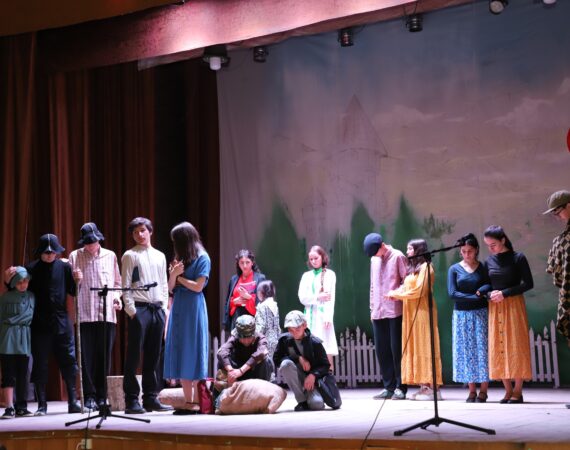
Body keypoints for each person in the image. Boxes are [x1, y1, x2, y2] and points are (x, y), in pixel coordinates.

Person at [4, 234, 81, 415]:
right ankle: (42, 405)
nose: (49, 255)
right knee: (40, 364)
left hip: (61, 320)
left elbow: (72, 291)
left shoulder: (64, 267)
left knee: (68, 360)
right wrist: (8, 281)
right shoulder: (31, 268)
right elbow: (19, 290)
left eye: (52, 252)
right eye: (46, 252)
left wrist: (78, 280)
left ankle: (73, 401)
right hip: (39, 323)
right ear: (40, 252)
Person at [68, 222, 122, 411]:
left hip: (106, 313)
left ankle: (101, 396)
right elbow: (70, 288)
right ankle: (89, 396)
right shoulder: (75, 256)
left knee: (104, 357)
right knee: (86, 358)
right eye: (87, 242)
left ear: (99, 239)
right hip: (84, 313)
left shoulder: (110, 255)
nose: (91, 245)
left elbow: (117, 283)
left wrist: (117, 299)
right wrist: (75, 280)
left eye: (93, 241)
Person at [121, 217, 172, 414]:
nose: (139, 235)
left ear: (150, 231)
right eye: (135, 232)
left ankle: (150, 397)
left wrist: (164, 308)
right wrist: (132, 311)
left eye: (142, 230)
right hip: (140, 309)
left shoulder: (160, 255)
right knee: (134, 356)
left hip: (157, 309)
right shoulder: (130, 255)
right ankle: (131, 400)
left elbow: (164, 283)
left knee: (153, 355)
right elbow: (126, 285)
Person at [386, 239, 443, 401]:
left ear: (419, 250)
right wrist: (395, 293)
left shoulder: (426, 267)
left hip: (423, 312)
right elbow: (407, 287)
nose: (407, 251)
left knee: (425, 345)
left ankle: (433, 389)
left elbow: (419, 291)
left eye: (410, 248)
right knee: (416, 346)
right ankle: (423, 386)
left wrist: (397, 295)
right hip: (410, 312)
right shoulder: (413, 269)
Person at [483, 225, 533, 404]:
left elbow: (528, 284)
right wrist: (490, 294)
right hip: (495, 306)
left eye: (493, 244)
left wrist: (505, 293)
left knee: (516, 345)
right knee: (498, 345)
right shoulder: (489, 261)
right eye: (488, 246)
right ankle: (508, 390)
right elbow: (486, 285)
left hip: (513, 305)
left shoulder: (518, 258)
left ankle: (518, 391)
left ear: (503, 240)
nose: (491, 249)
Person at [165, 221, 211, 415]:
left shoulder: (203, 258)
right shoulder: (180, 258)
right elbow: (170, 288)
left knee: (193, 348)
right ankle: (188, 401)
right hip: (179, 306)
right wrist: (173, 276)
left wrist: (179, 277)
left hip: (193, 307)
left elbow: (198, 287)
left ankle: (197, 401)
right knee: (181, 349)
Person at [363, 233, 408, 400]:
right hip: (378, 311)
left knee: (396, 350)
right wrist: (372, 308)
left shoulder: (398, 256)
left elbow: (407, 281)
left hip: (394, 310)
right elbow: (373, 286)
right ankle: (388, 387)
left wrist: (397, 293)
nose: (376, 256)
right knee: (382, 351)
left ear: (382, 246)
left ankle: (401, 387)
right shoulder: (374, 260)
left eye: (376, 252)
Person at [447, 233, 491, 403]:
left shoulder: (483, 267)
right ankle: (472, 390)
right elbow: (453, 293)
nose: (467, 254)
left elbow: (489, 284)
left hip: (481, 313)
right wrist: (475, 296)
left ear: (476, 250)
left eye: (470, 251)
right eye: (464, 251)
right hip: (461, 315)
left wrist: (482, 291)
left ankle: (484, 390)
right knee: (466, 351)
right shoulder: (454, 269)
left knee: (482, 350)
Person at [273, 310, 330, 411]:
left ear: (304, 325)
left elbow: (325, 365)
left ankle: (310, 394)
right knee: (286, 364)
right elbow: (277, 359)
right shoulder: (284, 340)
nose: (294, 332)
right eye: (290, 329)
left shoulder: (315, 342)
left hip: (311, 378)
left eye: (297, 328)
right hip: (296, 374)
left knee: (317, 405)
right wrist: (297, 358)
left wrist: (313, 375)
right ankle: (302, 401)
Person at [0, 267, 34, 418]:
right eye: (19, 282)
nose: (23, 284)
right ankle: (9, 407)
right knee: (9, 372)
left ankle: (21, 406)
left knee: (23, 373)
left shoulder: (32, 296)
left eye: (25, 281)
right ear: (13, 282)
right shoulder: (6, 297)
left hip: (24, 338)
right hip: (8, 337)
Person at [298, 245, 338, 367]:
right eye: (311, 259)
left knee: (326, 349)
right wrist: (317, 297)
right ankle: (314, 377)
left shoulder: (330, 274)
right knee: (310, 349)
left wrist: (328, 317)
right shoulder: (306, 276)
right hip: (308, 318)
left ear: (322, 257)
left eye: (316, 258)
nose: (314, 261)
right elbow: (302, 297)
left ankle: (329, 377)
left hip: (323, 317)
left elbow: (330, 298)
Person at [543, 190, 570, 346]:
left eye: (558, 212)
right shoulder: (560, 241)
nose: (557, 216)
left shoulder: (561, 242)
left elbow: (558, 277)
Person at [217, 315, 272, 386]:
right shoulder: (234, 338)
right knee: (223, 360)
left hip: (255, 373)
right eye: (242, 337)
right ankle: (223, 390)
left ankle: (263, 388)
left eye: (249, 337)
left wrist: (241, 371)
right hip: (237, 372)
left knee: (265, 359)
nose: (246, 341)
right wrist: (231, 371)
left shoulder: (260, 338)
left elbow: (261, 352)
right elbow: (222, 352)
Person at [223, 249, 266, 333]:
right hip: (236, 318)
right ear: (238, 264)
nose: (245, 266)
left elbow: (263, 302)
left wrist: (248, 297)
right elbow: (228, 301)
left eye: (247, 262)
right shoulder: (234, 279)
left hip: (253, 319)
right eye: (242, 263)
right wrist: (234, 302)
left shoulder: (260, 278)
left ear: (252, 262)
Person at [254, 280, 281, 361]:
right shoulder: (274, 305)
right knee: (272, 362)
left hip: (264, 341)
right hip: (275, 340)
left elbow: (261, 326)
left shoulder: (262, 306)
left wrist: (254, 339)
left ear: (261, 293)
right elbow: (277, 326)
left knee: (264, 364)